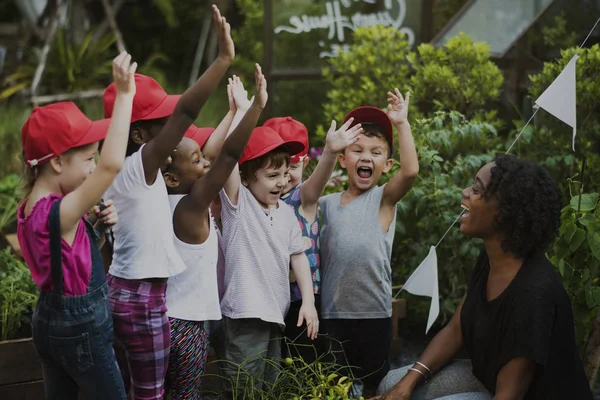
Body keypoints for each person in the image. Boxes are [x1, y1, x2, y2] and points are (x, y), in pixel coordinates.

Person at [375, 155, 593, 400]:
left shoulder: (533, 293)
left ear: (506, 211)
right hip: (488, 377)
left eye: (476, 189)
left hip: (523, 395)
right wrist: (408, 383)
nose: (464, 192)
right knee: (392, 384)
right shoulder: (492, 259)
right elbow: (456, 329)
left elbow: (508, 395)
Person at [102, 6, 235, 399]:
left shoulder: (138, 174)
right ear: (140, 134)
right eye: (164, 122)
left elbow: (205, 153)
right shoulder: (139, 168)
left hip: (136, 293)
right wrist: (223, 60)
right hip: (142, 301)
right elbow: (189, 111)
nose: (174, 129)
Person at [16, 52, 136, 400]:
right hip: (80, 328)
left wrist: (94, 228)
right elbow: (111, 166)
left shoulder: (31, 209)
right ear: (56, 162)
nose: (92, 167)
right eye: (87, 160)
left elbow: (66, 263)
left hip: (49, 322)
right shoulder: (61, 212)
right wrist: (125, 95)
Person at [162, 64, 268, 399]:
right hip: (186, 325)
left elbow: (204, 153)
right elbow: (228, 156)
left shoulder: (167, 195)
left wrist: (232, 111)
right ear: (175, 177)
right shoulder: (190, 208)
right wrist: (256, 108)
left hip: (168, 319)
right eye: (198, 162)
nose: (205, 162)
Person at [217, 81, 319, 395]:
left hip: (276, 315)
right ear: (246, 178)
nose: (281, 182)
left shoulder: (287, 214)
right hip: (245, 315)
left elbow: (298, 257)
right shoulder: (238, 204)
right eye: (271, 176)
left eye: (284, 174)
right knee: (243, 388)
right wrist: (239, 114)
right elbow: (230, 155)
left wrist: (310, 303)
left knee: (269, 388)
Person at [318, 89, 419, 397]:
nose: (366, 157)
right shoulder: (326, 204)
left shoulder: (384, 200)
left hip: (374, 314)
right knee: (335, 386)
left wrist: (401, 123)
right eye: (358, 149)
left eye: (376, 152)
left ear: (387, 164)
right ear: (343, 158)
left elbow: (411, 171)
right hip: (333, 315)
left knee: (376, 385)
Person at [264, 116, 362, 362]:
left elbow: (317, 183)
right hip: (269, 297)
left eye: (293, 168)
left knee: (303, 361)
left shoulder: (301, 197)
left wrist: (329, 151)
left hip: (302, 297)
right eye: (277, 169)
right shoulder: (258, 200)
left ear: (305, 162)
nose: (284, 178)